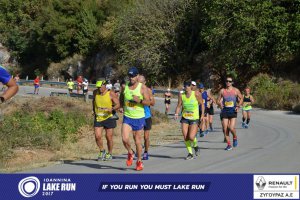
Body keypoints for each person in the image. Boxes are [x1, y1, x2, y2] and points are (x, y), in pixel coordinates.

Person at [119, 67, 150, 171]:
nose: (131, 78)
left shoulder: (142, 88)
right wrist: (120, 106)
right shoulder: (125, 86)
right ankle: (130, 152)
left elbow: (149, 102)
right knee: (124, 138)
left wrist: (140, 101)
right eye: (130, 76)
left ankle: (139, 161)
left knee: (137, 141)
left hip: (139, 118)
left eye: (133, 76)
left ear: (137, 76)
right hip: (127, 117)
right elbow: (121, 97)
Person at [174, 81, 204, 160]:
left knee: (191, 137)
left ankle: (195, 146)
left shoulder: (196, 94)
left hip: (194, 118)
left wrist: (203, 115)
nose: (186, 88)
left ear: (191, 86)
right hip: (185, 118)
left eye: (187, 86)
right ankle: (190, 153)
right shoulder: (181, 95)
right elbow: (179, 105)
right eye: (185, 86)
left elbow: (202, 104)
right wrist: (176, 114)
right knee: (185, 136)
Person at [93, 79, 120, 161]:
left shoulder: (110, 93)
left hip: (109, 117)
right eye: (98, 87)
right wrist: (93, 110)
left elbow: (118, 104)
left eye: (100, 87)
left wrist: (111, 109)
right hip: (98, 117)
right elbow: (93, 101)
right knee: (97, 136)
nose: (99, 89)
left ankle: (110, 153)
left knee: (109, 137)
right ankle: (102, 150)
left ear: (104, 85)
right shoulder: (95, 92)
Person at [217, 76, 243, 151]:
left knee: (231, 128)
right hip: (225, 111)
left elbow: (241, 98)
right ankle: (229, 145)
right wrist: (220, 104)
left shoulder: (236, 90)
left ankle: (235, 137)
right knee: (225, 129)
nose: (228, 82)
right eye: (227, 81)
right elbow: (218, 100)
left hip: (233, 111)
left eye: (230, 81)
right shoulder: (222, 91)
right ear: (225, 82)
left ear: (232, 82)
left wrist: (238, 106)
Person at [138, 75, 155, 160]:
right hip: (137, 116)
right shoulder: (135, 90)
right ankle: (139, 150)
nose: (140, 84)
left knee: (146, 137)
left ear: (145, 82)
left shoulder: (148, 90)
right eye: (138, 82)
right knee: (137, 136)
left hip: (146, 116)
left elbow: (153, 103)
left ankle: (146, 152)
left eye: (141, 83)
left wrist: (142, 101)